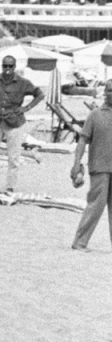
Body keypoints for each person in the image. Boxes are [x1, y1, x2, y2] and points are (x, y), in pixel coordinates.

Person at [0, 57, 42, 196]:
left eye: (10, 66)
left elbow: (39, 94)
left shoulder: (23, 82)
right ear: (2, 66)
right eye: (5, 66)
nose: (7, 69)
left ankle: (10, 187)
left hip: (14, 123)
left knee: (13, 157)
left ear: (14, 67)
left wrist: (27, 108)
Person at [71, 82, 112, 251]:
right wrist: (76, 163)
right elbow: (82, 139)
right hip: (99, 167)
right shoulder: (95, 115)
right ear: (105, 92)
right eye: (110, 90)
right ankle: (80, 242)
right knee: (96, 205)